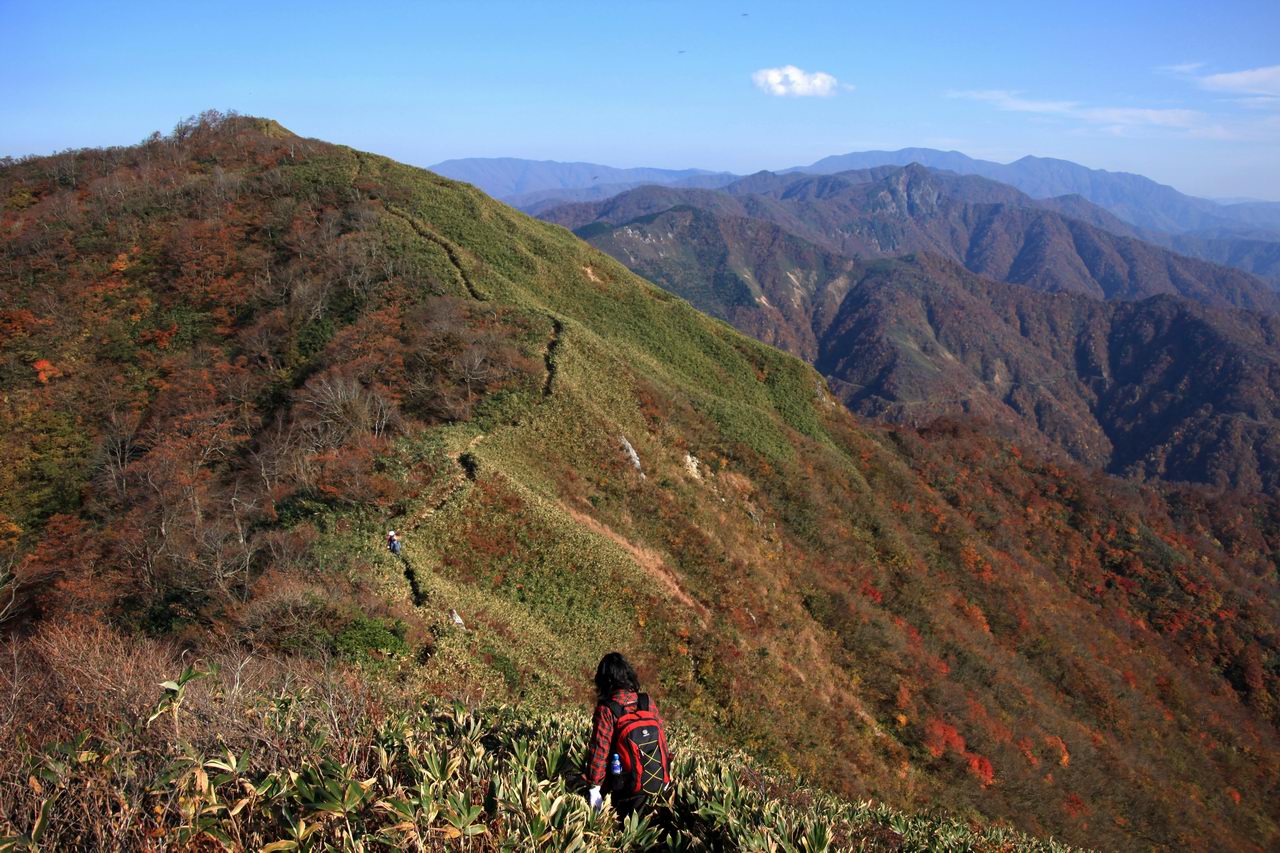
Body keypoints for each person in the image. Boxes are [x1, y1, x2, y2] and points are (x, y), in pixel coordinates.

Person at [582, 652, 671, 819]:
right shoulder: (645, 701)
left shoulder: (607, 709)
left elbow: (600, 750)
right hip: (652, 779)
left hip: (622, 785)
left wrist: (594, 787)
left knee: (623, 828)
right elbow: (662, 741)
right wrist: (665, 773)